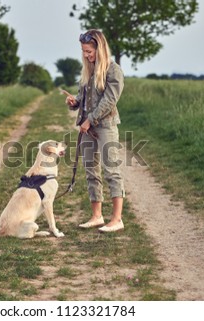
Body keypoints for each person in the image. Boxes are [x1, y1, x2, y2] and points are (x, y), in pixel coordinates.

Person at [65, 29, 125, 233]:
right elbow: (86, 99)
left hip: (105, 126)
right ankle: (97, 216)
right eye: (83, 51)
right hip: (88, 127)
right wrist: (75, 103)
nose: (86, 55)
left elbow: (109, 100)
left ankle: (117, 219)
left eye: (89, 51)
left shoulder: (113, 70)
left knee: (111, 171)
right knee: (91, 170)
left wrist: (90, 120)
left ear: (100, 48)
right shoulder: (88, 71)